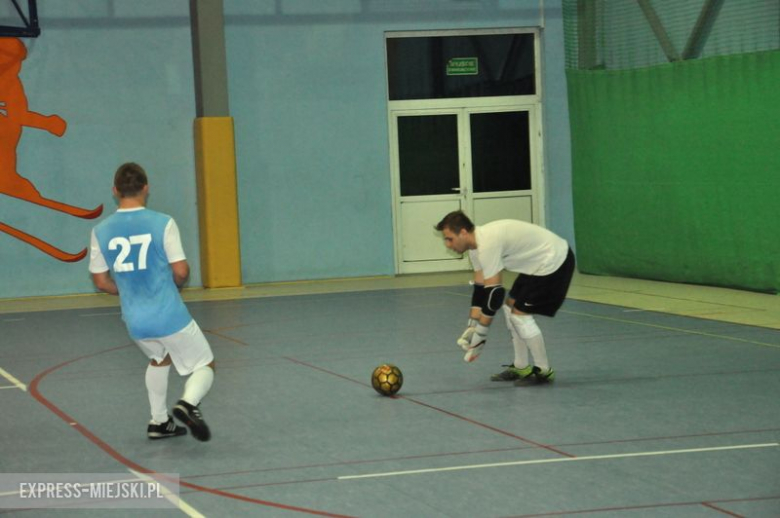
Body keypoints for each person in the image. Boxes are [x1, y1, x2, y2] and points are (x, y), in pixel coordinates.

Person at [89, 163, 215, 441]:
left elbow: (100, 281)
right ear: (146, 188)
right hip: (167, 314)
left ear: (115, 191)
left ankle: (159, 422)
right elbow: (181, 270)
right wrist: (175, 286)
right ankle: (188, 404)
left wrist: (128, 291)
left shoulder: (100, 230)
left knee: (160, 359)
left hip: (135, 319)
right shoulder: (163, 223)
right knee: (204, 364)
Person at [435, 210, 575, 385]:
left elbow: (495, 294)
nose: (448, 244)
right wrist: (472, 326)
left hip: (555, 260)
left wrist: (481, 334)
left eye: (449, 239)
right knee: (510, 307)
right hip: (536, 263)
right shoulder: (475, 248)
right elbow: (481, 290)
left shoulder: (487, 244)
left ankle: (544, 371)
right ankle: (521, 366)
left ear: (463, 232)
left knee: (519, 315)